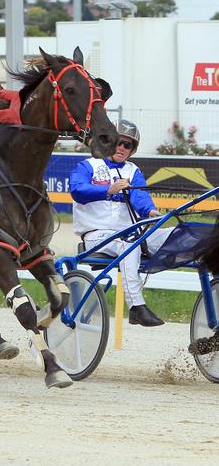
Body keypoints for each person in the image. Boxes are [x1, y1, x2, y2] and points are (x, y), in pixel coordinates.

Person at [70, 119, 173, 327]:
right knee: (130, 243)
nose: (122, 148)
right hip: (97, 236)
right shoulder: (88, 165)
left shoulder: (133, 171)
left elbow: (140, 198)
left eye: (128, 145)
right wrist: (108, 190)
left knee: (177, 233)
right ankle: (136, 307)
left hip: (130, 233)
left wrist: (152, 212)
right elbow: (77, 190)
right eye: (119, 142)